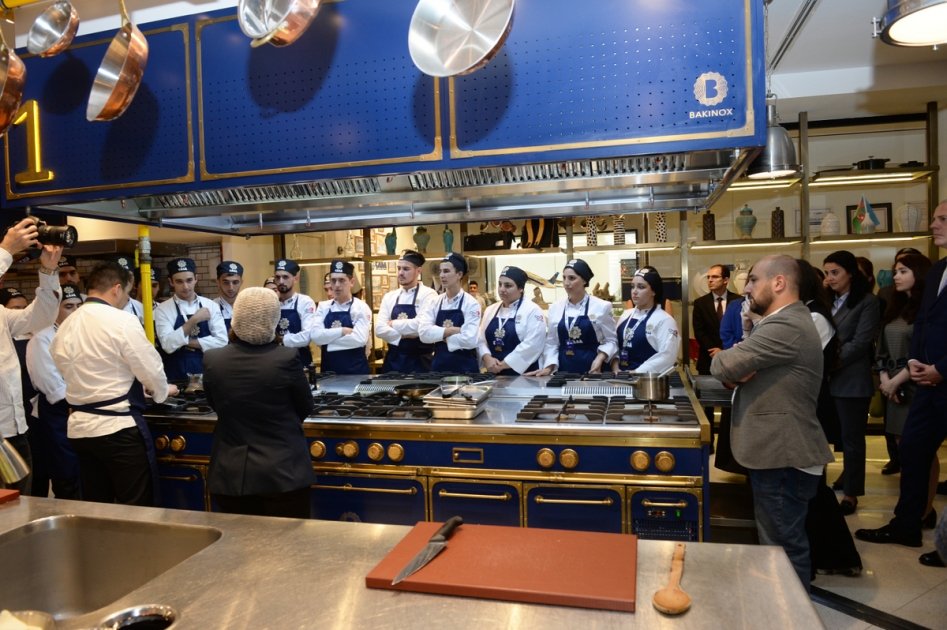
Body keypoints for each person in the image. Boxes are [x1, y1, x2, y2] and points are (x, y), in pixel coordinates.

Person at [711, 255, 833, 590]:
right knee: (780, 541)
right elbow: (740, 368)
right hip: (779, 451)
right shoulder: (779, 323)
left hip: (783, 453)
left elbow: (723, 365)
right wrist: (748, 336)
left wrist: (734, 360)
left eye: (752, 281)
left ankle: (792, 615)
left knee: (783, 548)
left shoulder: (787, 325)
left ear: (778, 283)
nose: (746, 289)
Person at [856, 200, 947, 569]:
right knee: (911, 450)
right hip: (926, 382)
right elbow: (923, 324)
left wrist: (943, 367)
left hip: (942, 375)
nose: (933, 223)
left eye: (942, 219)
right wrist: (916, 363)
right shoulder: (939, 268)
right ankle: (906, 525)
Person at [51, 262, 178, 506]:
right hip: (118, 427)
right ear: (117, 289)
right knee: (137, 505)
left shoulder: (66, 325)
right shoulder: (122, 321)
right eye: (128, 294)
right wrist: (162, 393)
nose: (125, 300)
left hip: (80, 429)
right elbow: (150, 367)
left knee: (97, 504)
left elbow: (63, 367)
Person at [203, 287, 315, 518]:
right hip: (283, 473)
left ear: (236, 319)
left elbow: (214, 404)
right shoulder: (286, 358)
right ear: (273, 320)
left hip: (231, 475)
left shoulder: (214, 359)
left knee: (238, 548)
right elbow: (304, 407)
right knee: (289, 549)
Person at [797, 259, 862, 578]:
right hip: (810, 404)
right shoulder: (807, 313)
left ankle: (835, 554)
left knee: (814, 485)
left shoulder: (813, 317)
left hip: (813, 407)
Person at [0, 218, 63, 495]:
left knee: (20, 507)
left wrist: (48, 270)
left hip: (14, 429)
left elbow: (40, 318)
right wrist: (6, 249)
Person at [823, 250, 881, 515]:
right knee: (824, 436)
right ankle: (822, 485)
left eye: (835, 272)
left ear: (850, 273)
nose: (830, 278)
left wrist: (828, 361)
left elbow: (861, 342)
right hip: (826, 380)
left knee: (852, 441)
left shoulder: (867, 302)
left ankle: (851, 494)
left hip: (851, 380)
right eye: (826, 273)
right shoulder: (828, 301)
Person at [875, 253, 932, 507]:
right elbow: (880, 348)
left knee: (921, 449)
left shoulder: (928, 309)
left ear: (918, 275)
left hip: (917, 383)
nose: (896, 276)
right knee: (902, 447)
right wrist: (885, 379)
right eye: (895, 271)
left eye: (903, 271)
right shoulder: (894, 306)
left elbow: (922, 352)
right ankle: (910, 504)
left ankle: (924, 507)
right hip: (892, 384)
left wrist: (895, 381)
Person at [25, 283, 83, 499]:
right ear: (54, 309)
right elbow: (55, 390)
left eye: (79, 306)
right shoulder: (42, 340)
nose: (75, 312)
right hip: (58, 418)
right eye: (69, 306)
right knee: (67, 478)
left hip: (84, 414)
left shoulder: (86, 335)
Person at [530, 259, 617, 375]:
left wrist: (600, 358)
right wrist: (549, 367)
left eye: (572, 278)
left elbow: (611, 341)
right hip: (563, 371)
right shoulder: (555, 308)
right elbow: (552, 343)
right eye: (564, 278)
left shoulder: (602, 306)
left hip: (593, 370)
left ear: (584, 281)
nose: (566, 283)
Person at [154, 258, 228, 381]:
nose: (186, 286)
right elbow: (167, 345)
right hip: (176, 375)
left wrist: (184, 341)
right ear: (171, 282)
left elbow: (222, 341)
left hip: (208, 373)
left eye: (189, 280)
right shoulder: (162, 310)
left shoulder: (210, 306)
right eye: (179, 282)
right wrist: (194, 320)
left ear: (196, 279)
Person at [304, 260, 372, 374]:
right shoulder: (323, 307)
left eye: (342, 280)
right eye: (333, 280)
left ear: (351, 282)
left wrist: (326, 341)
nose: (337, 285)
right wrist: (343, 331)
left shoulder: (361, 307)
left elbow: (359, 339)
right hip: (329, 373)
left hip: (356, 373)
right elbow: (315, 336)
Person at [375, 250, 438, 373]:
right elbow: (379, 329)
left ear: (418, 271)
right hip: (393, 362)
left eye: (406, 269)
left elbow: (421, 326)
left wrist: (392, 324)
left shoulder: (429, 294)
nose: (400, 273)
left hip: (421, 363)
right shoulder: (389, 296)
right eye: (399, 268)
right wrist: (404, 335)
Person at [418, 253, 481, 373]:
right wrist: (453, 330)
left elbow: (470, 339)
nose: (442, 275)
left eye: (446, 271)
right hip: (439, 366)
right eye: (440, 271)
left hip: (465, 367)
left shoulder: (471, 303)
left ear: (459, 274)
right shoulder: (435, 302)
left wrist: (439, 336)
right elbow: (423, 333)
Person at [478, 266, 546, 375]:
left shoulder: (532, 310)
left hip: (525, 376)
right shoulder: (490, 310)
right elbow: (480, 339)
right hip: (493, 374)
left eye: (508, 286)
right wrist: (486, 357)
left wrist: (502, 365)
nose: (502, 289)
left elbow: (533, 345)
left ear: (521, 289)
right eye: (500, 284)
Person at [611, 266, 679, 373]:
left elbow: (667, 356)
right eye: (632, 286)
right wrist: (615, 365)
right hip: (620, 376)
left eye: (641, 287)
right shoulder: (626, 315)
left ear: (653, 291)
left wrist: (637, 372)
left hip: (647, 382)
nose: (634, 291)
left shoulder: (665, 320)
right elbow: (614, 343)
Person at [692, 265, 738, 374]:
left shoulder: (738, 301)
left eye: (715, 277)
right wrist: (715, 350)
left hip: (734, 358)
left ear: (726, 280)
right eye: (708, 277)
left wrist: (725, 351)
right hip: (708, 359)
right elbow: (699, 332)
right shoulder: (700, 303)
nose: (710, 280)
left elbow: (741, 329)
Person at [272, 259, 317, 366]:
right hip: (275, 361)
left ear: (295, 279)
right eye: (278, 277)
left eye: (285, 277)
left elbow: (306, 337)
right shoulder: (271, 302)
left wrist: (279, 340)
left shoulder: (305, 302)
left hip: (300, 360)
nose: (281, 281)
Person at [213, 260, 244, 331]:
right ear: (218, 282)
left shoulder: (249, 306)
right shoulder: (211, 308)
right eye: (226, 283)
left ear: (241, 282)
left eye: (235, 282)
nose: (231, 288)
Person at [114, 255, 144, 325]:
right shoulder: (103, 308)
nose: (125, 281)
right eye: (120, 276)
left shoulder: (141, 308)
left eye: (129, 276)